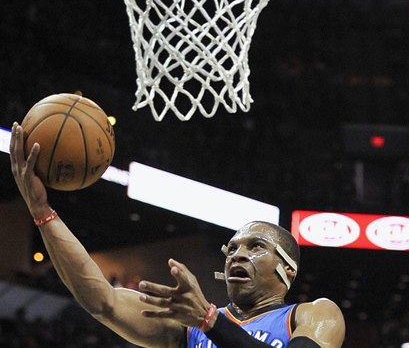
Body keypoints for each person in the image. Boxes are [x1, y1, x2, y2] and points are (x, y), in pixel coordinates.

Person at [9, 126, 345, 347]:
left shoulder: (313, 315)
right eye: (232, 248)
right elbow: (102, 300)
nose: (237, 255)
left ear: (287, 269)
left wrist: (209, 320)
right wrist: (42, 212)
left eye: (256, 246)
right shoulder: (190, 326)